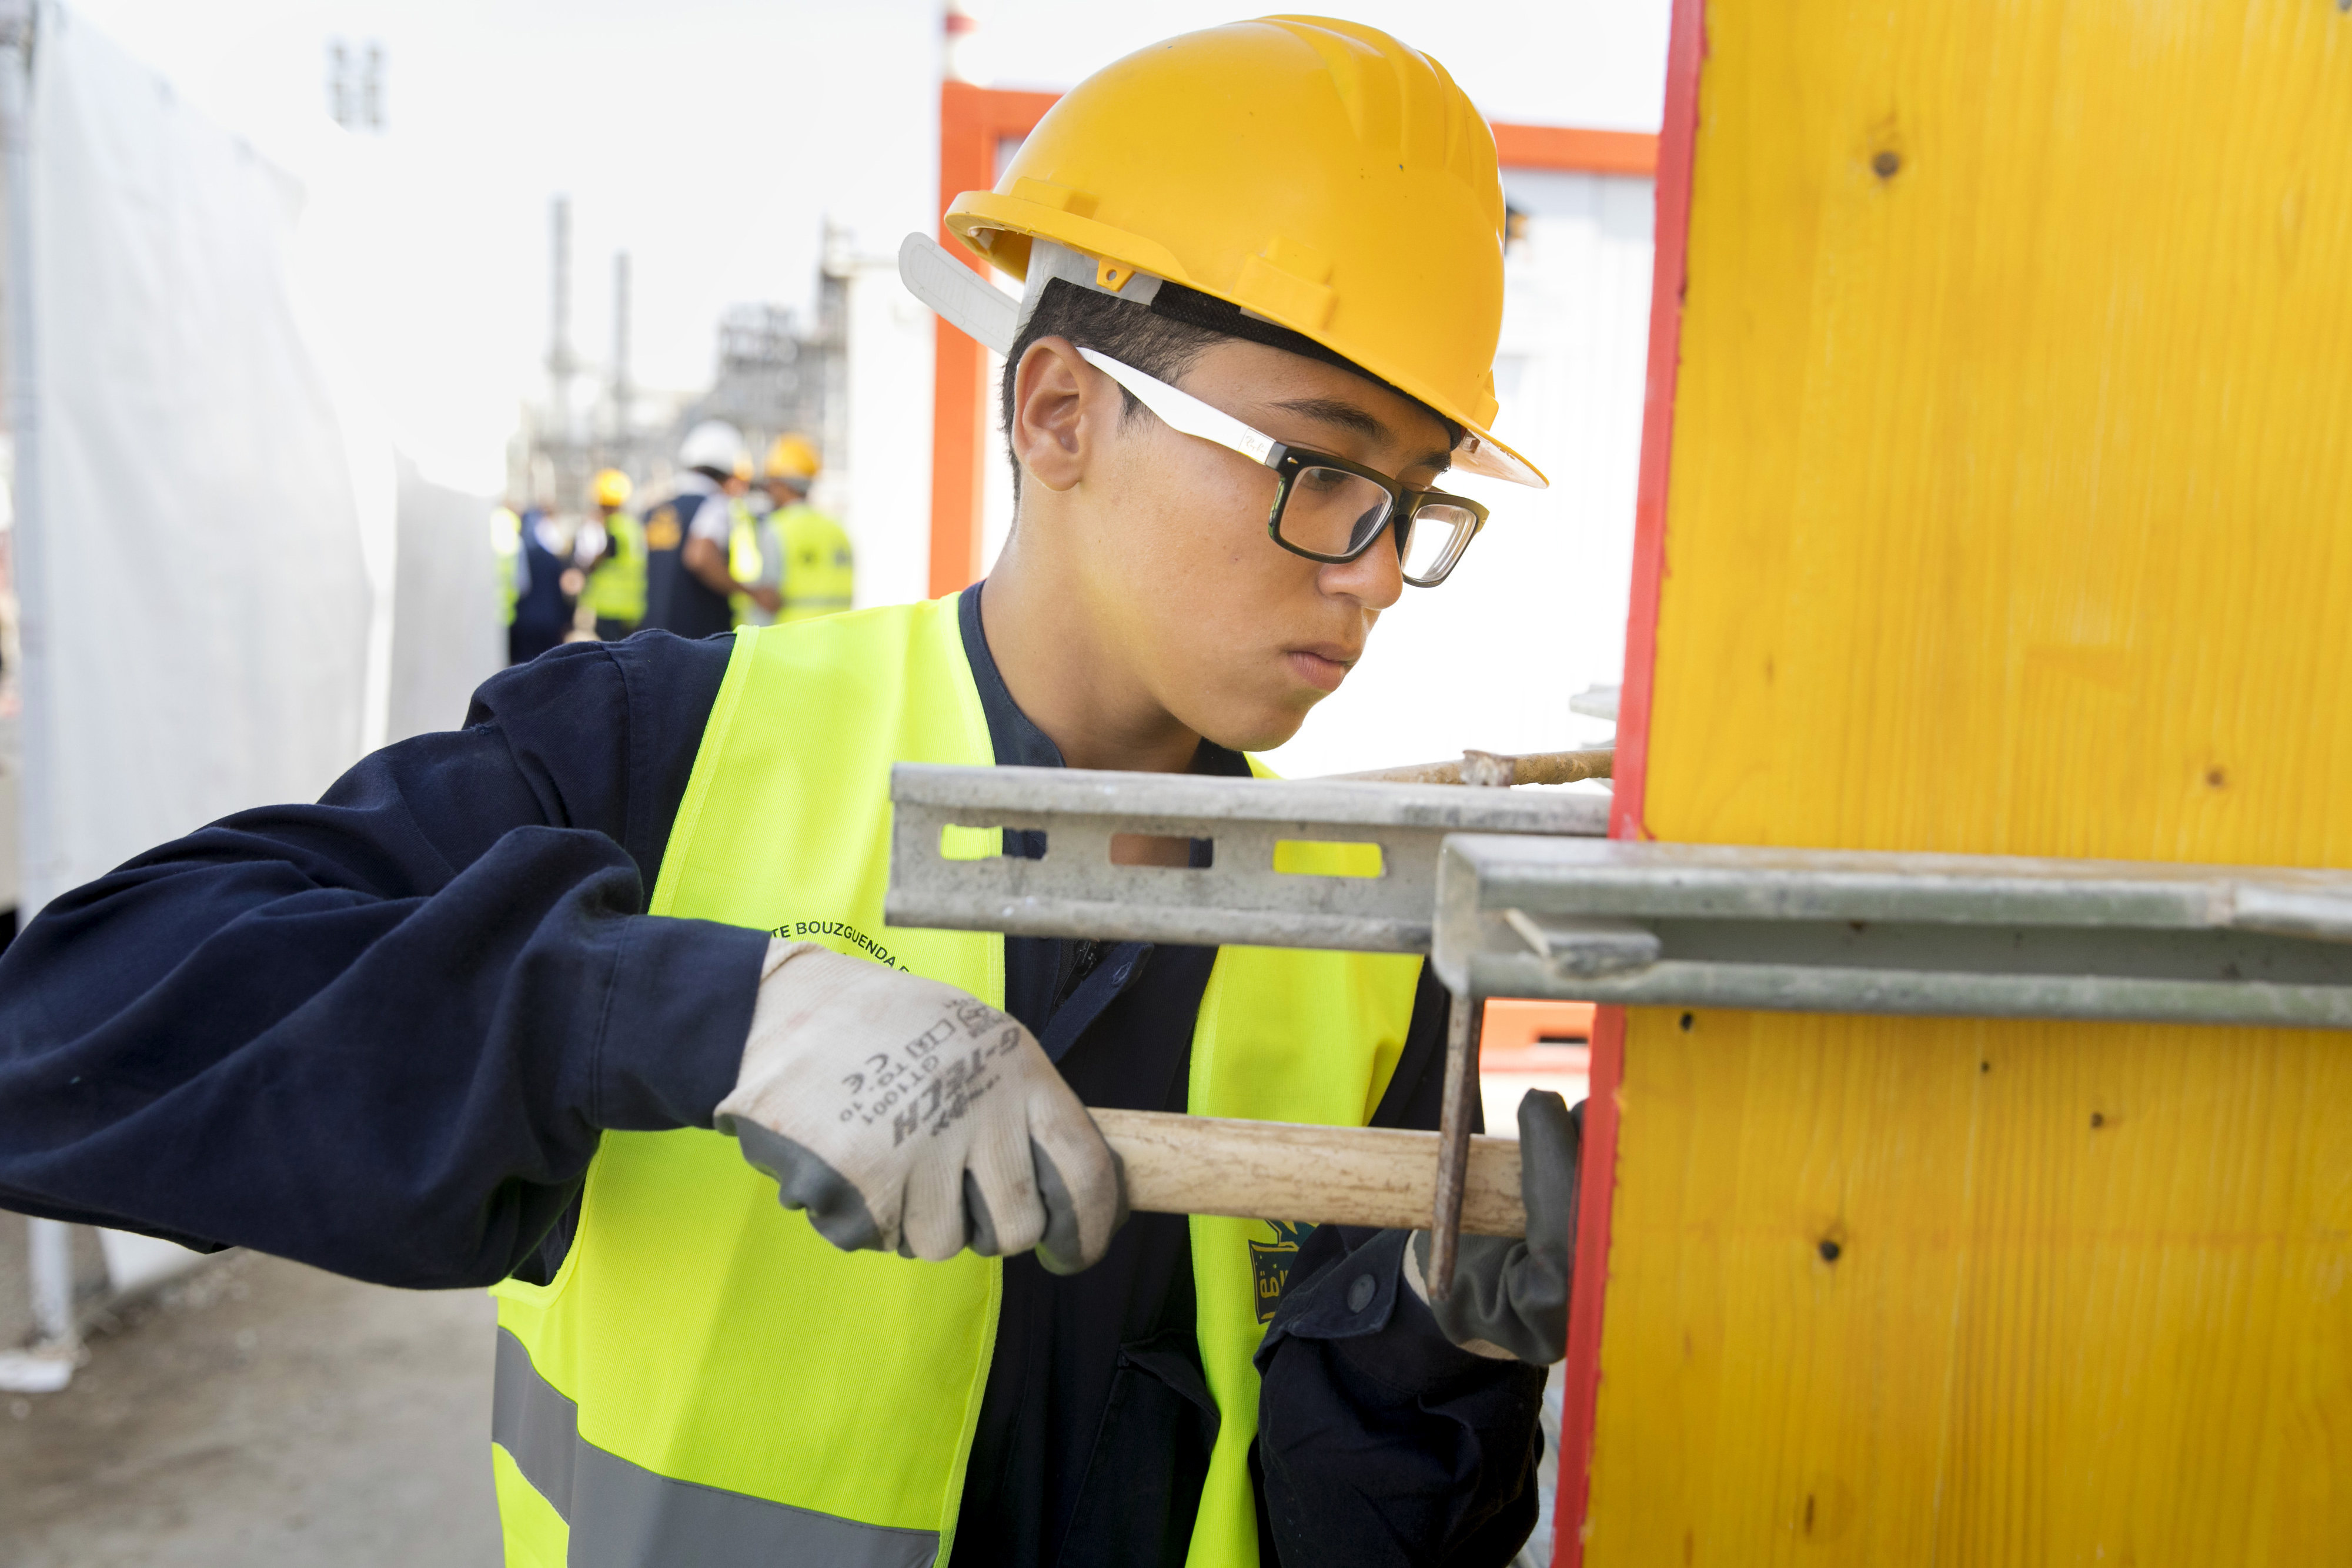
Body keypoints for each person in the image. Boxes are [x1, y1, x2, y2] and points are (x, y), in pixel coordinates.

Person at [0, 19, 1578, 1567]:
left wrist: (1441, 1343)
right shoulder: (662, 755)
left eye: (1415, 503)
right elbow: (64, 1031)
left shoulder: (1364, 929)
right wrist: (696, 1012)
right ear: (1057, 412)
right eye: (1322, 469)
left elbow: (1359, 1529)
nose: (1376, 569)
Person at [641, 421, 776, 638]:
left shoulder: (657, 510)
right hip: (697, 637)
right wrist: (753, 594)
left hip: (654, 634)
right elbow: (700, 558)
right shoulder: (715, 504)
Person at [759, 433, 854, 621]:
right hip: (836, 642)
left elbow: (767, 599)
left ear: (782, 485)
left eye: (771, 483)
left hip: (791, 642)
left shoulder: (777, 528)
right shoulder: (838, 529)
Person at [577, 467, 646, 641]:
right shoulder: (633, 526)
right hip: (633, 606)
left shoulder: (610, 528)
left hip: (610, 607)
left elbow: (597, 559)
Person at [506, 503, 574, 666]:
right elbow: (562, 593)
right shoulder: (551, 558)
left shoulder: (518, 557)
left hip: (523, 623)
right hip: (549, 622)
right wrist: (566, 620)